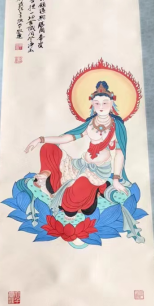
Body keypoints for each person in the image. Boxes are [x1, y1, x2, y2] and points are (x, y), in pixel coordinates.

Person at [24, 80, 131, 217]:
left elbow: (119, 154)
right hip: (80, 164)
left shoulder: (117, 126)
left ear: (112, 103)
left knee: (76, 192)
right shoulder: (90, 123)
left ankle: (83, 192)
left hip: (97, 172)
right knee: (48, 148)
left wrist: (116, 179)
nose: (101, 106)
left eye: (105, 103)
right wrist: (40, 139)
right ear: (92, 104)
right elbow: (67, 138)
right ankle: (46, 176)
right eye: (97, 103)